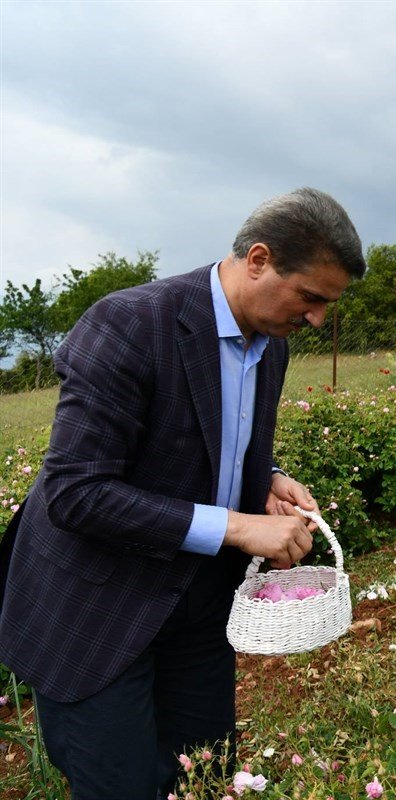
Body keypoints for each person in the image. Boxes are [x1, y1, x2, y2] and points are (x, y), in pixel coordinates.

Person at [0, 187, 366, 799]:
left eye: (327, 305)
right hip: (99, 608)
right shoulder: (131, 323)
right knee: (124, 787)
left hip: (196, 606)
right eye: (309, 297)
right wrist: (238, 525)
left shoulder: (269, 345)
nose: (316, 319)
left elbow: (206, 437)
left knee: (205, 774)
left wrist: (266, 479)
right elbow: (75, 492)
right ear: (257, 259)